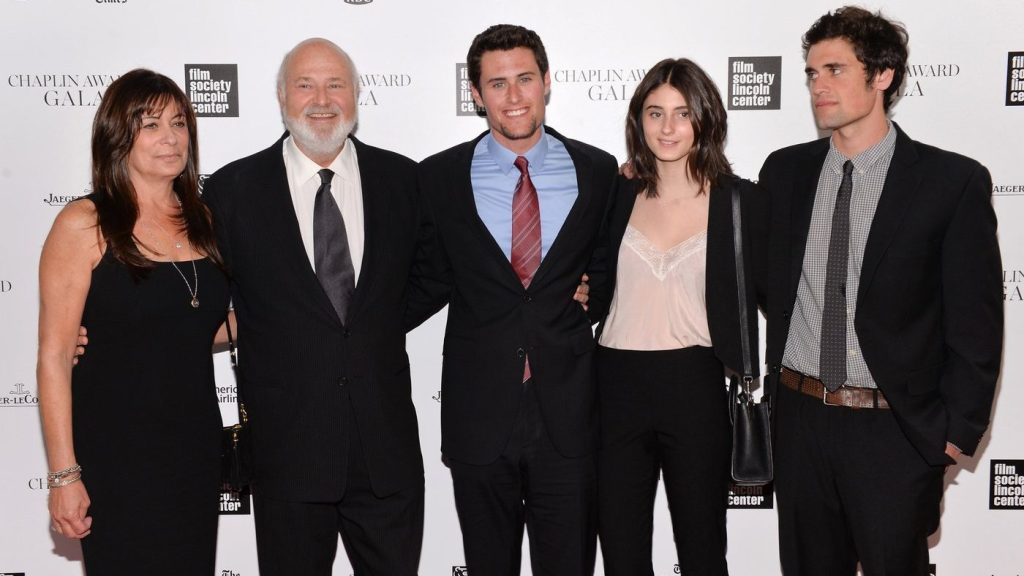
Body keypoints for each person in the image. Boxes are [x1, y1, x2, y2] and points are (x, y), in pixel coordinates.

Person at [758, 7, 1002, 575]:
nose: (819, 86)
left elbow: (976, 324)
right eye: (812, 73)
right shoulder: (785, 172)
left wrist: (951, 437)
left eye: (835, 70)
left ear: (883, 76)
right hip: (800, 420)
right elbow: (751, 271)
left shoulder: (951, 182)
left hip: (893, 431)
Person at [201, 38, 432, 575]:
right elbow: (198, 296)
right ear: (282, 96)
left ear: (356, 96)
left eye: (336, 84)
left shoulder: (403, 180)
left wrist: (372, 324)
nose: (321, 99)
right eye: (305, 84)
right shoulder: (233, 189)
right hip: (287, 454)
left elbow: (434, 274)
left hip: (387, 452)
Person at [415, 23, 617, 576]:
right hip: (478, 414)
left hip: (569, 413)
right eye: (497, 83)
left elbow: (609, 270)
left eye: (525, 78)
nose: (514, 96)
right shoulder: (437, 179)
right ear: (476, 95)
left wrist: (590, 297)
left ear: (547, 82)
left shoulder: (597, 171)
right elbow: (423, 278)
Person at [38, 68, 229, 574]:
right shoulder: (85, 223)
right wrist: (63, 474)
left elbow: (194, 329)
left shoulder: (206, 221)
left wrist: (294, 315)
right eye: (150, 125)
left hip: (193, 447)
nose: (171, 137)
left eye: (179, 122)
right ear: (117, 137)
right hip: (115, 453)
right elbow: (55, 357)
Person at [588, 58, 766, 576]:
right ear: (637, 121)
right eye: (654, 113)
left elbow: (778, 289)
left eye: (683, 113)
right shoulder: (614, 192)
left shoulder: (739, 201)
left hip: (695, 384)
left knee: (703, 549)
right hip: (614, 383)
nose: (667, 128)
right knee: (621, 550)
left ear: (705, 119)